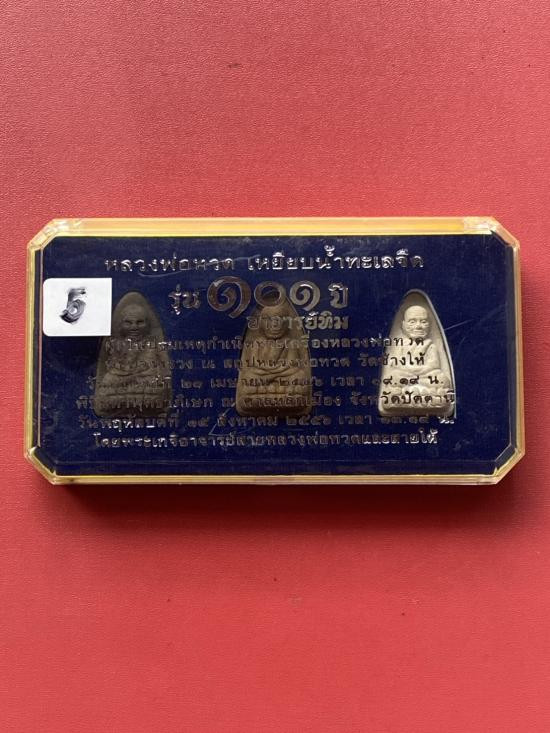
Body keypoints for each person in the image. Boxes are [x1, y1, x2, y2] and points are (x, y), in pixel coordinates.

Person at [94, 302, 171, 417]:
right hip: (121, 380)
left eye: (139, 322)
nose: (134, 327)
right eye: (128, 323)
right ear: (121, 325)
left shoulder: (155, 345)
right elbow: (111, 371)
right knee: (108, 384)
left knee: (156, 387)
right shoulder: (116, 344)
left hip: (146, 381)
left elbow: (166, 371)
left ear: (147, 324)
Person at [236, 302, 312, 416]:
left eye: (279, 320)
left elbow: (292, 366)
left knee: (300, 376)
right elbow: (253, 365)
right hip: (261, 375)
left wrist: (273, 375)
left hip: (282, 376)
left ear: (286, 323)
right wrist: (270, 375)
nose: (275, 325)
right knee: (248, 377)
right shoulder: (256, 343)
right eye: (270, 320)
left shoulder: (290, 343)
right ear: (262, 323)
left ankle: (268, 393)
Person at [379, 304, 453, 415]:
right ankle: (401, 396)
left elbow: (434, 365)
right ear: (403, 325)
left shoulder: (430, 345)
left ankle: (422, 396)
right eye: (412, 322)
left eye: (423, 322)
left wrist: (419, 371)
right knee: (393, 377)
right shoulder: (401, 344)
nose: (418, 326)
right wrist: (410, 370)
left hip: (425, 376)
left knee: (441, 379)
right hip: (406, 375)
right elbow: (396, 363)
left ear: (429, 325)